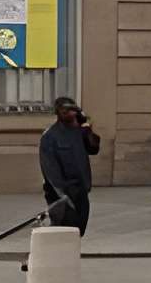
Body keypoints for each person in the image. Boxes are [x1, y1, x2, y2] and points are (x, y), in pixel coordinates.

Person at [38, 98, 98, 233]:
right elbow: (50, 170)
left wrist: (86, 127)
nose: (69, 114)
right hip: (62, 195)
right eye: (65, 111)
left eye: (72, 110)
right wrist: (63, 194)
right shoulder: (50, 136)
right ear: (59, 113)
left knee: (78, 230)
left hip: (81, 191)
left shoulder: (80, 132)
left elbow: (94, 149)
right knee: (64, 231)